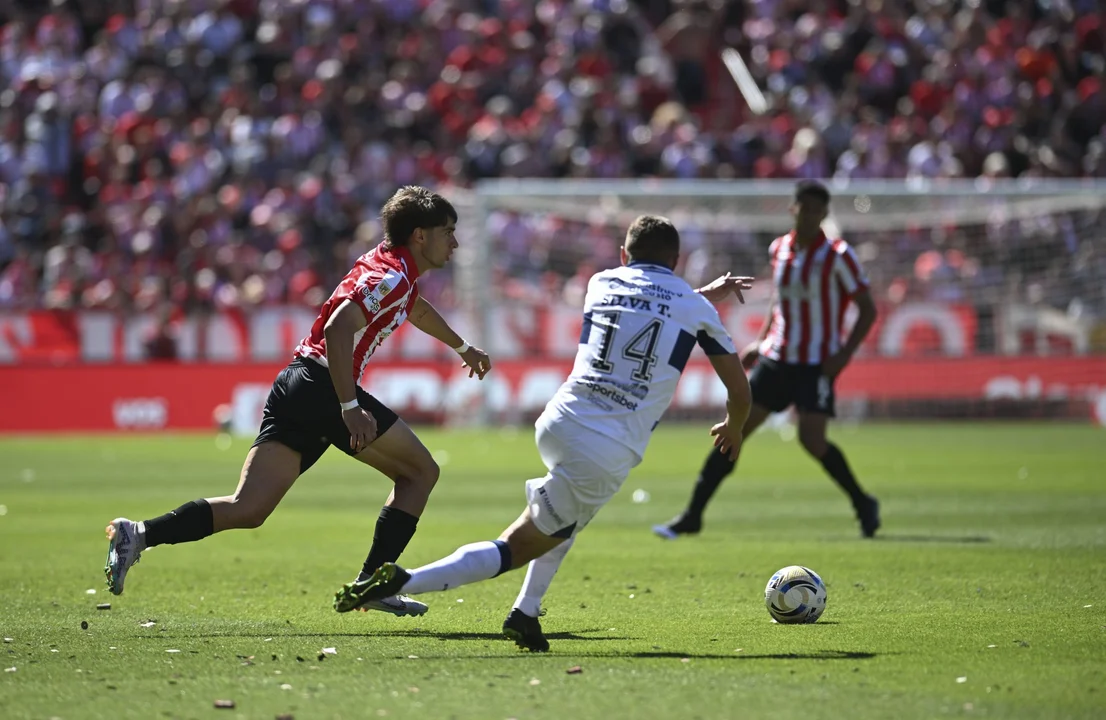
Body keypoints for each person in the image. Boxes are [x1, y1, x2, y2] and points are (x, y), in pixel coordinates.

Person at [332, 214, 754, 651]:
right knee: (515, 547)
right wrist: (735, 427)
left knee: (565, 521)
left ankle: (526, 613)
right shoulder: (694, 308)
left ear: (623, 255)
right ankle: (401, 581)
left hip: (560, 419)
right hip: (607, 444)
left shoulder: (602, 282)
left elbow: (649, 304)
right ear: (677, 260)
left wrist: (700, 297)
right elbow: (739, 389)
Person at [103, 186, 492, 617]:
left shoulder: (393, 269)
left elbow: (415, 309)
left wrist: (462, 347)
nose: (455, 243)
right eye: (448, 231)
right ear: (420, 235)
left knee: (248, 508)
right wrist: (349, 407)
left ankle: (138, 534)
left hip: (296, 382)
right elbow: (339, 329)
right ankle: (372, 583)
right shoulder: (393, 278)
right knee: (420, 472)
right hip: (324, 387)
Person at [653, 180, 881, 541]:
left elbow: (868, 309)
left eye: (816, 210)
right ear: (793, 209)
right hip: (778, 359)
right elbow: (779, 300)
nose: (809, 215)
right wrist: (761, 341)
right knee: (734, 431)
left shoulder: (839, 255)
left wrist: (843, 354)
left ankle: (863, 503)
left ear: (824, 213)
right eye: (804, 208)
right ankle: (693, 514)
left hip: (816, 364)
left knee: (812, 439)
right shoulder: (780, 249)